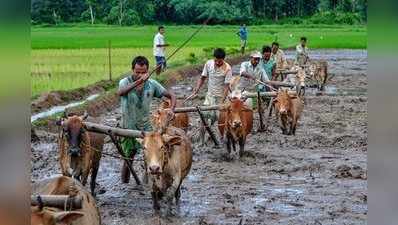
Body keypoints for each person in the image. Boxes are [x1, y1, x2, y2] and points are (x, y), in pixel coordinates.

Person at [118, 56, 176, 183]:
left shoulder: (152, 84)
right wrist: (138, 82)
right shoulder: (125, 82)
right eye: (137, 72)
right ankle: (125, 184)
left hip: (146, 128)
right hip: (128, 126)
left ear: (148, 71)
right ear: (132, 70)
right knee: (128, 158)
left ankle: (151, 184)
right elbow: (121, 92)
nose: (140, 75)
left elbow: (171, 95)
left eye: (143, 72)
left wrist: (171, 108)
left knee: (152, 156)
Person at [187, 48, 233, 144]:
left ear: (223, 59)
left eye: (219, 61)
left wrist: (221, 102)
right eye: (216, 60)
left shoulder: (228, 68)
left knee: (221, 120)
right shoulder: (208, 64)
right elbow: (203, 77)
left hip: (221, 97)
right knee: (204, 118)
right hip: (210, 96)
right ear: (214, 58)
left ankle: (222, 138)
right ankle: (202, 140)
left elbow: (226, 87)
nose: (217, 62)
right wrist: (197, 88)